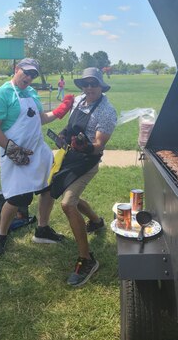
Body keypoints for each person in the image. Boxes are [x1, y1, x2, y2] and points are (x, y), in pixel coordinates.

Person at [0, 58, 74, 257]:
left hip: (38, 152)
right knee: (17, 198)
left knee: (48, 189)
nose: (29, 77)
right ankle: (2, 235)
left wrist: (61, 110)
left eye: (33, 74)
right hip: (15, 154)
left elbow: (40, 119)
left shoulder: (31, 93)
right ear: (16, 69)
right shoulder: (2, 94)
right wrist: (14, 152)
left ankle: (42, 229)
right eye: (26, 72)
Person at [51, 67, 117, 287]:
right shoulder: (79, 101)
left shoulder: (107, 111)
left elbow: (98, 146)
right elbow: (71, 127)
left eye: (93, 84)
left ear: (100, 86)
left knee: (68, 204)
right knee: (70, 193)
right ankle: (97, 222)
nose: (89, 88)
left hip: (87, 162)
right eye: (85, 84)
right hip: (70, 157)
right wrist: (64, 134)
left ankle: (87, 260)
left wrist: (86, 146)